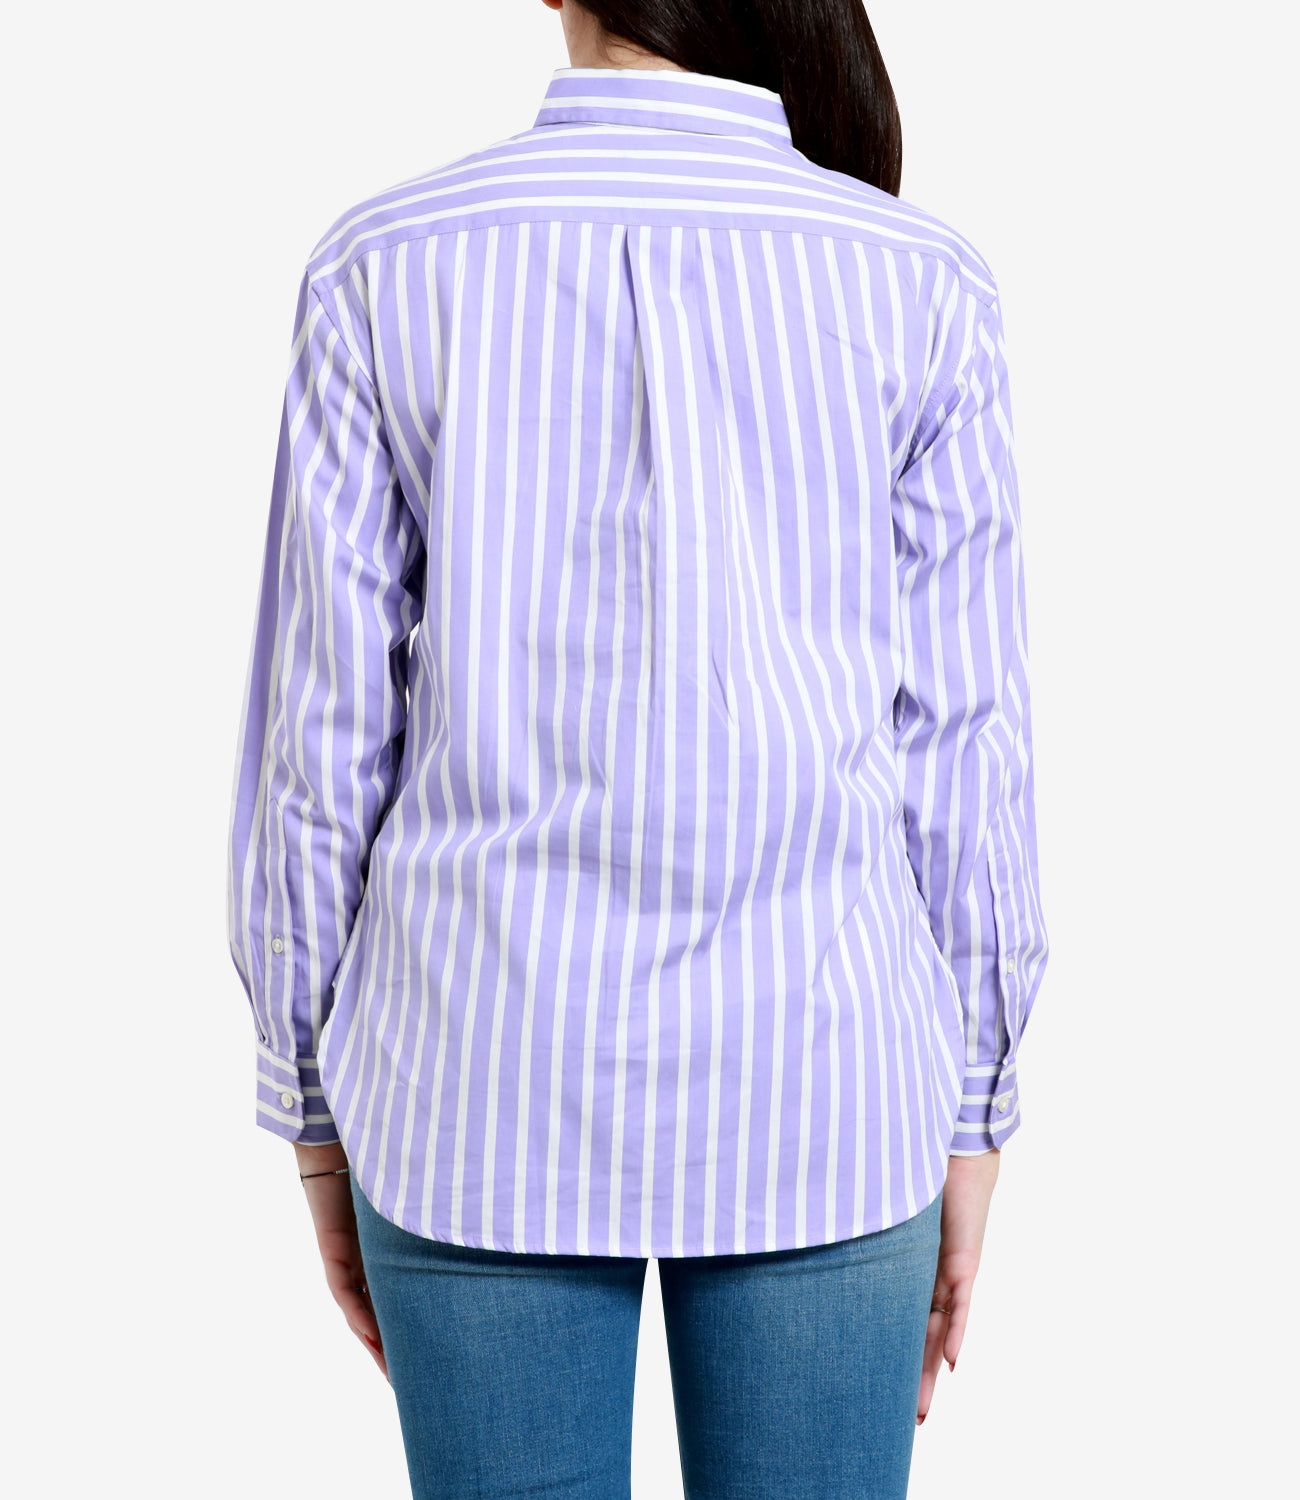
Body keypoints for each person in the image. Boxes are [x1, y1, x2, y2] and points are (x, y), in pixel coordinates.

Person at [225, 2, 1050, 1495]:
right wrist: (975, 1107)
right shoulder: (920, 279)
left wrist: (316, 1112)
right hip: (829, 1082)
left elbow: (321, 745)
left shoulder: (384, 263)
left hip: (466, 1085)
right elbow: (965, 745)